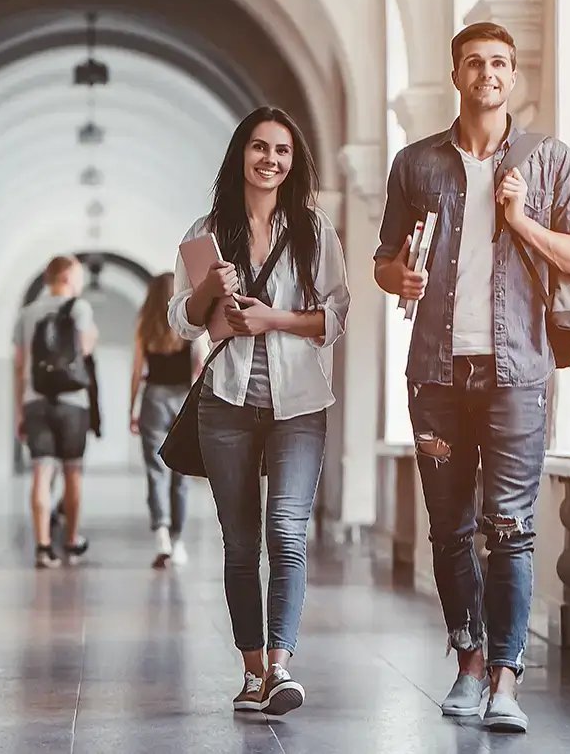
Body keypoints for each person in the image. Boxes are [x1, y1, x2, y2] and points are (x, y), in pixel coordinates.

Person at [373, 22, 570, 733]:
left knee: (512, 530)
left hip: (517, 375)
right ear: (457, 74)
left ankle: (506, 679)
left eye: (500, 62)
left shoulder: (548, 161)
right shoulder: (416, 165)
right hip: (435, 376)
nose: (489, 73)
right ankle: (468, 663)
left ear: (513, 76)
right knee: (449, 529)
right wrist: (397, 275)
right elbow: (383, 260)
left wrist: (522, 221)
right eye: (476, 62)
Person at [168, 106, 350, 717]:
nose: (269, 160)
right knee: (241, 542)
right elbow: (182, 322)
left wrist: (273, 318)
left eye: (282, 151)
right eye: (259, 148)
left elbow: (335, 317)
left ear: (293, 163)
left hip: (299, 404)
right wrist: (208, 289)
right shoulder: (206, 230)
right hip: (227, 402)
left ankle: (280, 666)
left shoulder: (315, 231)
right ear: (240, 155)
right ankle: (251, 671)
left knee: (287, 532)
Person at [14, 256, 97, 569]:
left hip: (35, 400)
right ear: (66, 277)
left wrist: (19, 412)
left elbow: (19, 364)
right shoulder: (80, 308)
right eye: (77, 276)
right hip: (73, 401)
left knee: (41, 473)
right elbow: (86, 349)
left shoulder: (27, 313)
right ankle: (72, 541)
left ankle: (43, 546)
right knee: (72, 473)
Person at [129, 272, 202, 568]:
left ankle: (160, 533)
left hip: (153, 399)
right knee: (180, 475)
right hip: (183, 399)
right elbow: (201, 363)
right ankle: (178, 540)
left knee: (155, 471)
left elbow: (136, 372)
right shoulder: (189, 324)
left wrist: (131, 409)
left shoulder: (144, 326)